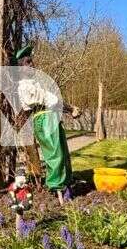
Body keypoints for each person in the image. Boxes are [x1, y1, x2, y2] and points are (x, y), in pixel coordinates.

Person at [14, 45, 80, 197]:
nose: (32, 64)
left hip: (51, 118)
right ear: (21, 68)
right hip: (44, 119)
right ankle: (57, 187)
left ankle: (66, 184)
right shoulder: (25, 86)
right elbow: (49, 100)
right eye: (28, 62)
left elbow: (52, 100)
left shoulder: (35, 83)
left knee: (63, 152)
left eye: (31, 61)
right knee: (55, 154)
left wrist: (70, 109)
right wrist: (70, 108)